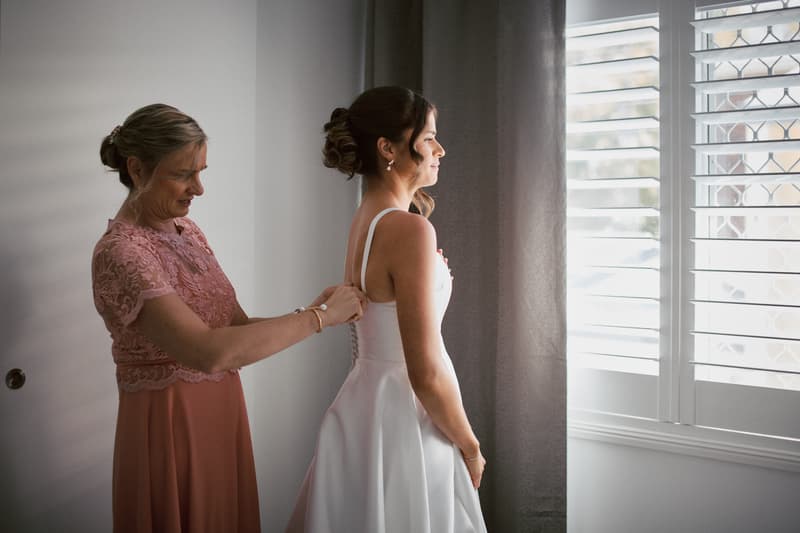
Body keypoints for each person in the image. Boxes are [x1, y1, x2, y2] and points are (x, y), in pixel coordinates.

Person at [92, 103, 366, 533]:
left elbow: (234, 328)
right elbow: (208, 352)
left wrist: (309, 311)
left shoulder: (189, 233)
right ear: (137, 169)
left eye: (201, 171)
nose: (198, 188)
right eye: (183, 173)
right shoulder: (121, 253)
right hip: (167, 430)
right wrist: (319, 318)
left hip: (220, 417)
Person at [286, 87, 487, 532]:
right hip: (406, 418)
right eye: (429, 137)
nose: (440, 149)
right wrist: (471, 448)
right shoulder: (408, 229)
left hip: (363, 405)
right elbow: (426, 374)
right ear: (388, 148)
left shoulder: (367, 217)